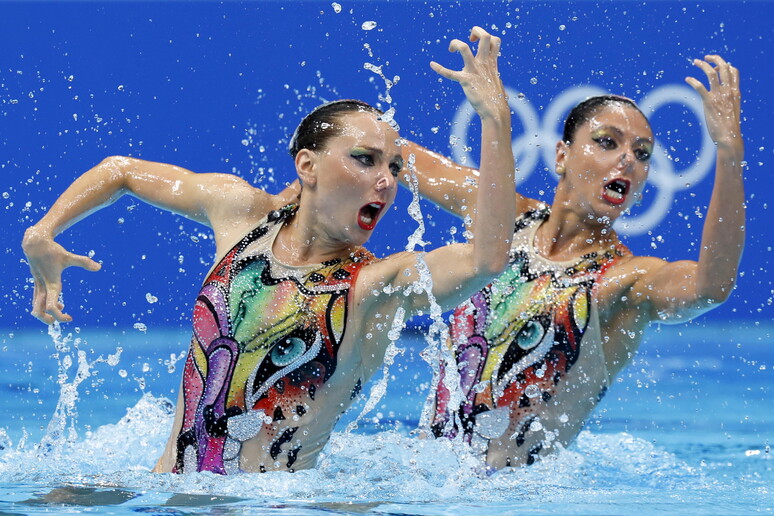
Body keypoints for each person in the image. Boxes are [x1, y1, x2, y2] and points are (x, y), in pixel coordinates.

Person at [22, 27, 516, 474]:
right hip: (168, 497)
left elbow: (485, 260)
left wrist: (494, 121)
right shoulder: (241, 217)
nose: (385, 181)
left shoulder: (375, 286)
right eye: (365, 160)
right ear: (307, 164)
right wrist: (42, 233)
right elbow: (121, 171)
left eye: (395, 167)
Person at [401, 54, 743, 471]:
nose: (627, 160)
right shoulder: (502, 222)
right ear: (561, 156)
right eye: (607, 141)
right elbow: (393, 154)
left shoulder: (624, 282)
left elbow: (710, 287)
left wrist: (728, 152)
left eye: (642, 152)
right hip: (423, 477)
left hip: (512, 498)